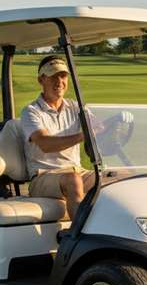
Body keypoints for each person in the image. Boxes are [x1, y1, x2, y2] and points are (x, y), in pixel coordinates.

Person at [21, 54, 96, 220]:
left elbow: (98, 129)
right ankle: (79, 237)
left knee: (118, 178)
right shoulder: (31, 111)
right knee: (73, 180)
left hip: (76, 171)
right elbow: (46, 144)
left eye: (62, 76)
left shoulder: (76, 107)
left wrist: (114, 125)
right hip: (43, 176)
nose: (59, 81)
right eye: (53, 76)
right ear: (41, 80)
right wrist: (84, 135)